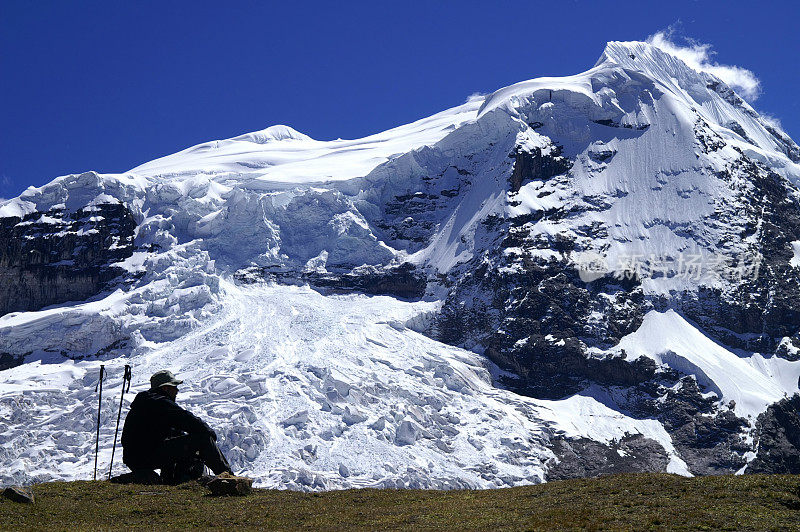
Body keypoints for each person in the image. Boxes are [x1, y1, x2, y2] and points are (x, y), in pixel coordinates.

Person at [121, 370, 232, 484]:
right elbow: (186, 419)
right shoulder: (160, 403)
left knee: (179, 442)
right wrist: (208, 432)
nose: (177, 391)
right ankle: (229, 479)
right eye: (174, 387)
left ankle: (172, 480)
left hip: (137, 458)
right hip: (146, 456)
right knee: (202, 440)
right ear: (166, 388)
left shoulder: (147, 403)